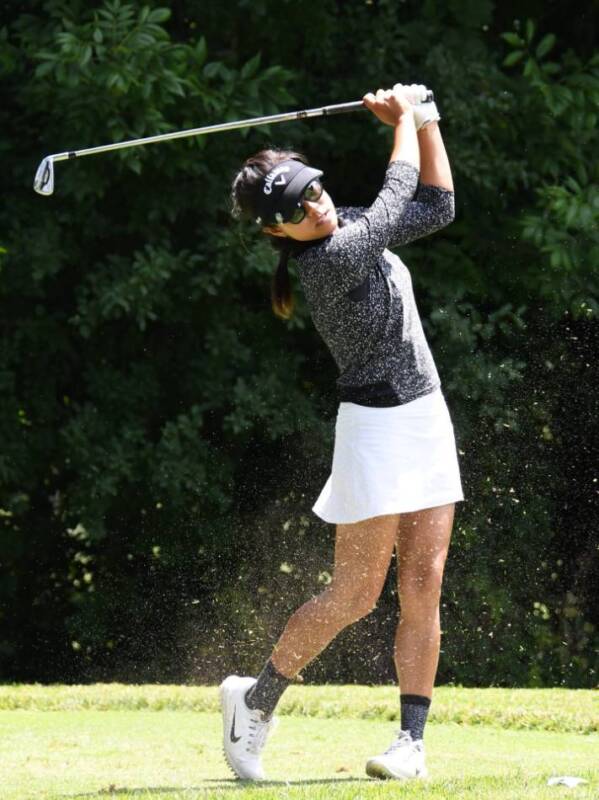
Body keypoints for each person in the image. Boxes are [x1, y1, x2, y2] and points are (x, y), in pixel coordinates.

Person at [221, 83, 464, 782]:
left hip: (424, 415)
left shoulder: (345, 225)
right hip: (375, 430)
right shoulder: (329, 260)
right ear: (276, 232)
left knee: (423, 583)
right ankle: (254, 702)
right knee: (354, 595)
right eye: (293, 208)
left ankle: (409, 743)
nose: (313, 203)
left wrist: (429, 121)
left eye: (310, 189)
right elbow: (398, 191)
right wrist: (404, 120)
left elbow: (437, 204)